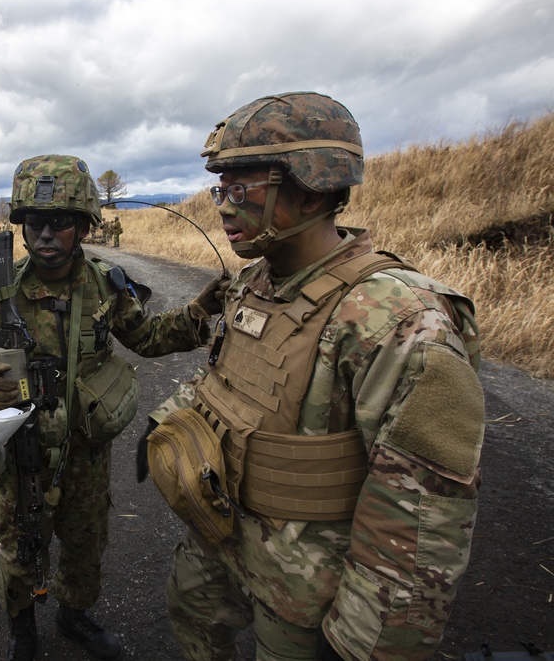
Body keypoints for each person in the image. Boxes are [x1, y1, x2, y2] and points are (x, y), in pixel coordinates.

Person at [138, 91, 485, 660]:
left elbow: (420, 519)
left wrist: (362, 643)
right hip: (223, 537)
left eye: (241, 189)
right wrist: (170, 423)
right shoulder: (254, 284)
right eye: (219, 189)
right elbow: (225, 385)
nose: (223, 206)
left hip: (308, 588)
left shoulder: (398, 320)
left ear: (310, 190)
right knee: (193, 622)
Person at [0, 154, 228, 661]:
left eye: (62, 223)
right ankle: (21, 626)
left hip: (85, 451)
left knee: (85, 541)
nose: (47, 235)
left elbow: (149, 337)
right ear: (22, 228)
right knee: (20, 541)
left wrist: (200, 312)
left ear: (84, 226)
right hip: (19, 447)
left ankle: (74, 615)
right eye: (36, 223)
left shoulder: (104, 284)